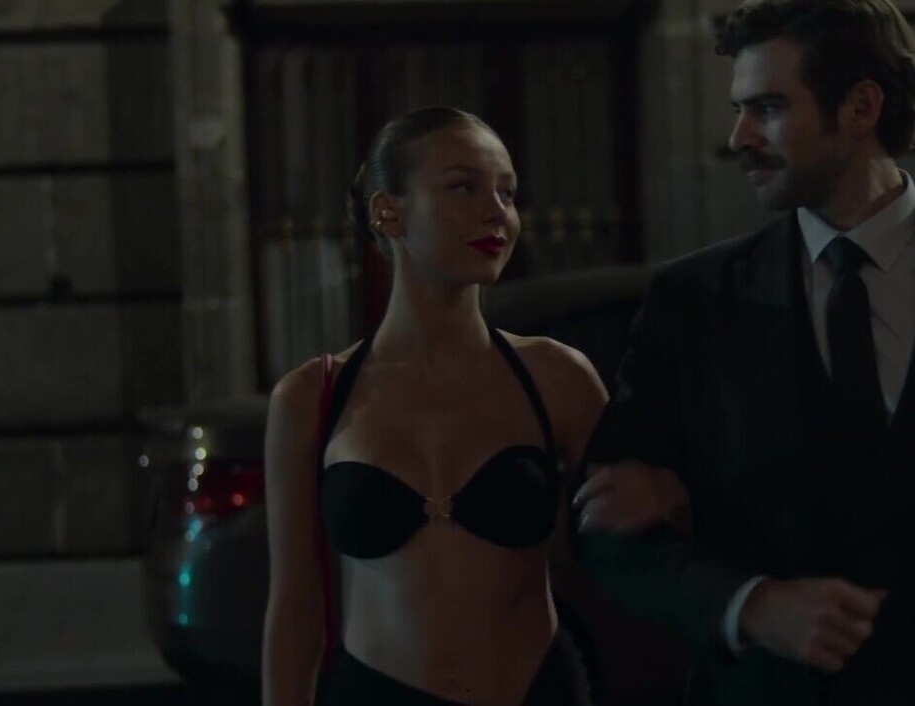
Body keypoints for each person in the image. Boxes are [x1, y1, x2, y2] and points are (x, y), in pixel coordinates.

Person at [572, 1, 915, 704]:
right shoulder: (694, 301)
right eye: (738, 110)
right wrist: (747, 605)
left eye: (768, 108)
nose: (738, 139)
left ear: (861, 107)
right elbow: (607, 530)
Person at [262, 106, 607, 706]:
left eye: (507, 192)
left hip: (537, 690)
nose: (497, 212)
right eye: (463, 187)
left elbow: (640, 549)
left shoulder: (557, 378)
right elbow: (295, 613)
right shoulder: (312, 397)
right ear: (388, 211)